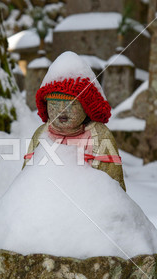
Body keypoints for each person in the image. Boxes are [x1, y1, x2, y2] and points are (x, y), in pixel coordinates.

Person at [23, 52, 126, 191]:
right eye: (53, 104)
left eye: (71, 104)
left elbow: (114, 184)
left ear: (86, 107)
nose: (61, 111)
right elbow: (27, 176)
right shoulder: (42, 134)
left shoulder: (99, 135)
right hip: (44, 202)